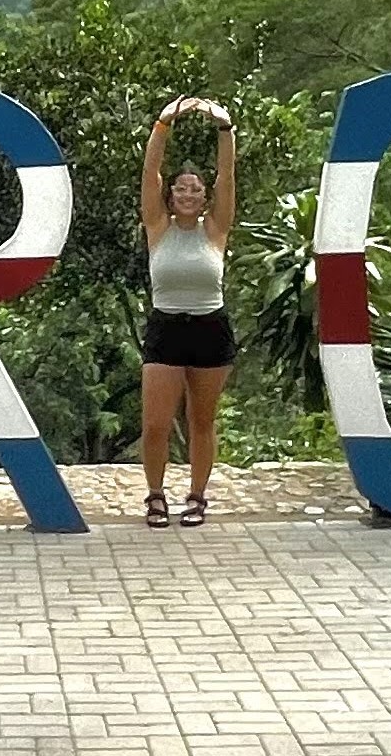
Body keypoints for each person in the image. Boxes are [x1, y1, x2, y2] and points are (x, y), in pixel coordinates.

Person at [139, 94, 235, 528]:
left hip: (210, 327)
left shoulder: (215, 231)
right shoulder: (157, 227)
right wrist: (163, 123)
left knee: (202, 421)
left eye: (196, 189)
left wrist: (224, 128)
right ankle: (155, 496)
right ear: (171, 194)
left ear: (204, 196)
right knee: (156, 424)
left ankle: (197, 497)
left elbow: (228, 175)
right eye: (181, 187)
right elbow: (150, 171)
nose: (189, 194)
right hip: (166, 328)